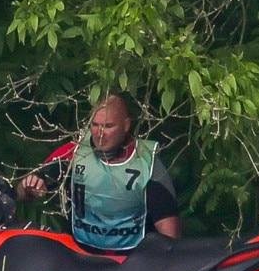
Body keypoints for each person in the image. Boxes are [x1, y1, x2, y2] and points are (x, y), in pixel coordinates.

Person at [17, 92, 184, 252]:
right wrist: (30, 186)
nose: (100, 134)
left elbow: (170, 235)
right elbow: (23, 192)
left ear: (126, 125)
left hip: (132, 259)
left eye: (108, 126)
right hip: (81, 255)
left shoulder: (147, 161)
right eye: (95, 125)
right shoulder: (74, 152)